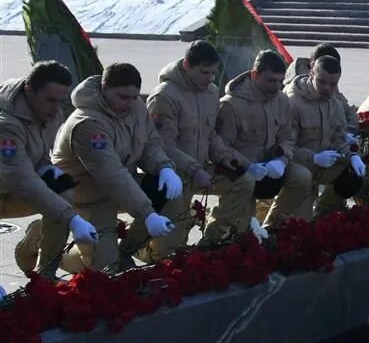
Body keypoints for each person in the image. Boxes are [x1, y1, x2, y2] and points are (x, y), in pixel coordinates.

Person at [50, 63, 179, 271]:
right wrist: (147, 213)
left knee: (169, 192)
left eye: (134, 97)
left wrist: (164, 167)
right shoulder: (87, 124)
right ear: (104, 89)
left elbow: (150, 142)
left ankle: (127, 250)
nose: (130, 103)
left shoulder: (136, 106)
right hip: (89, 196)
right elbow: (111, 174)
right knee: (105, 269)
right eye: (122, 97)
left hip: (120, 187)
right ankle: (42, 245)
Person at [146, 41, 256, 253]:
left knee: (244, 181)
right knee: (168, 249)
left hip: (202, 169)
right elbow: (162, 145)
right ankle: (147, 250)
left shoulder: (211, 92)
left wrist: (225, 157)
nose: (210, 79)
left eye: (213, 73)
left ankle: (213, 239)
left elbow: (211, 134)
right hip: (174, 176)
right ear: (187, 65)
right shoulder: (165, 96)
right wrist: (193, 169)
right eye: (204, 72)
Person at [0, 61, 92, 277]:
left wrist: (47, 169)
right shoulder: (6, 125)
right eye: (50, 100)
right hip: (12, 185)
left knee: (64, 193)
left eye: (60, 101)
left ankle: (45, 275)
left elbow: (39, 155)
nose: (56, 108)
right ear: (30, 90)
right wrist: (73, 220)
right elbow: (22, 180)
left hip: (12, 188)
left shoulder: (51, 114)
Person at [215, 50, 310, 230]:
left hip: (271, 165)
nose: (276, 86)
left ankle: (271, 227)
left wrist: (281, 160)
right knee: (240, 228)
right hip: (241, 169)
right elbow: (222, 147)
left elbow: (287, 138)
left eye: (280, 81)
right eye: (270, 80)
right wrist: (248, 166)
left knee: (302, 177)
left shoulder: (281, 100)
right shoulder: (230, 105)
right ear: (254, 75)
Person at [285, 55, 365, 219]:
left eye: (333, 84)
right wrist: (313, 157)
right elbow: (285, 147)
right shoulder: (293, 102)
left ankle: (324, 208)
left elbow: (338, 139)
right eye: (322, 82)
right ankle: (270, 225)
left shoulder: (334, 104)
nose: (327, 88)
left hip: (319, 166)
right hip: (297, 168)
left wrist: (353, 156)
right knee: (298, 226)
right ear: (311, 74)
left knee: (355, 172)